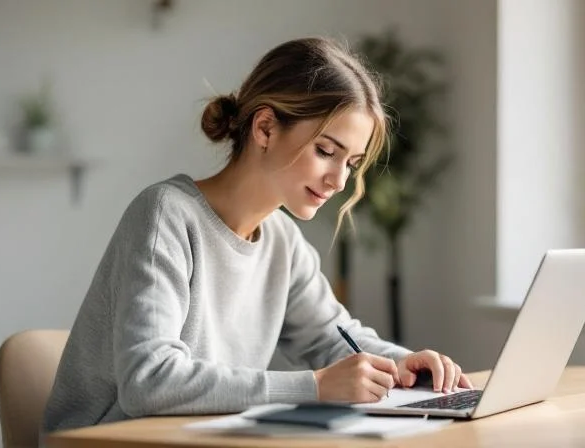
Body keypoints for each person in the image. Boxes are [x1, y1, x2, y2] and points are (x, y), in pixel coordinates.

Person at [41, 36, 472, 435]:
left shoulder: (282, 242)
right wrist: (315, 387)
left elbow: (330, 337)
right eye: (326, 151)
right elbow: (148, 382)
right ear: (264, 128)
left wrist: (402, 363)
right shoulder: (165, 215)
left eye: (352, 163)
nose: (339, 180)